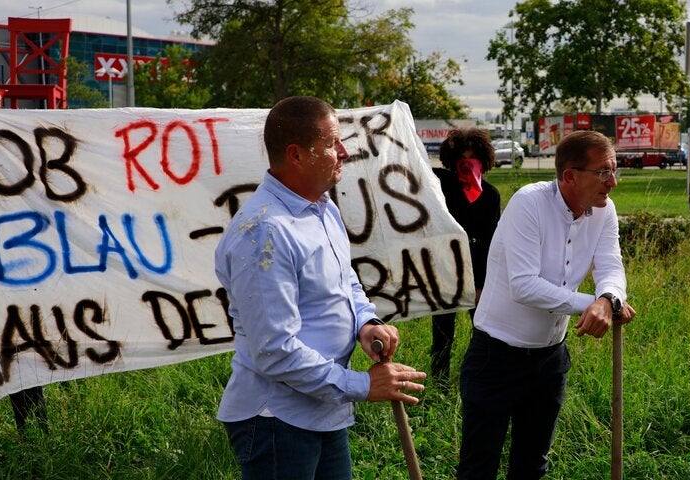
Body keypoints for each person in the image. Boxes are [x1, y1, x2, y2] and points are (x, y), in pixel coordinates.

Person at [214, 96, 426, 479]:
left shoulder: (320, 207)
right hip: (278, 418)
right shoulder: (265, 233)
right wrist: (361, 384)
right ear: (296, 155)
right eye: (330, 143)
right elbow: (274, 351)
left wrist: (366, 322)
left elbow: (345, 281)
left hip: (323, 409)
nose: (343, 152)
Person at [457, 130, 635, 479]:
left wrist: (608, 298)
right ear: (570, 175)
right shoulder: (529, 202)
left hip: (550, 360)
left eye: (615, 170)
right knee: (479, 467)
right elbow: (524, 285)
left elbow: (611, 267)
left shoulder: (604, 210)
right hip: (496, 358)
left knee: (532, 465)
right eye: (603, 172)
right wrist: (592, 304)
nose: (612, 182)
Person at [429, 128, 501, 384]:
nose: (468, 165)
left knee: (482, 332)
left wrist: (483, 284)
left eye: (474, 158)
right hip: (445, 272)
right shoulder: (440, 186)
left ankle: (480, 377)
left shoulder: (491, 195)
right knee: (442, 336)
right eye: (462, 159)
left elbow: (490, 242)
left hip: (477, 275)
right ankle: (439, 384)